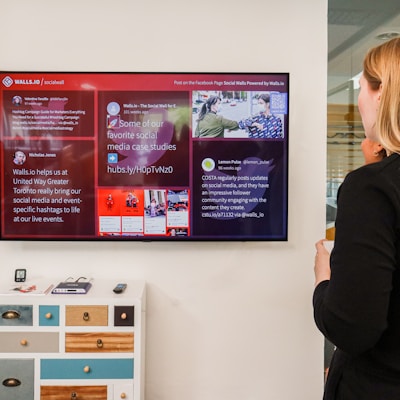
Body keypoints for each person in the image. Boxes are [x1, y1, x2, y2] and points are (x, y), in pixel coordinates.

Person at [313, 37, 400, 400]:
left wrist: (324, 281)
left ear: (382, 93)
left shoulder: (372, 188)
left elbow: (353, 328)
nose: (359, 99)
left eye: (361, 86)